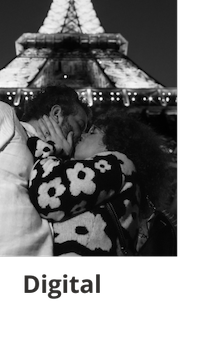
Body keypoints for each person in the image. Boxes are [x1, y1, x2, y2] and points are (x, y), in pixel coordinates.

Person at [0, 85, 90, 257]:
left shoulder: (50, 165)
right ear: (57, 114)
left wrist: (61, 158)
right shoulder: (3, 113)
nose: (82, 136)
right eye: (80, 125)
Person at [27, 109, 175, 256]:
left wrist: (49, 149)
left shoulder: (118, 163)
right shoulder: (111, 177)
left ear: (112, 143)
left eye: (92, 132)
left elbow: (47, 198)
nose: (82, 135)